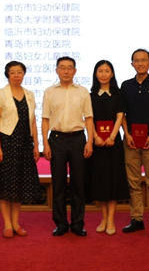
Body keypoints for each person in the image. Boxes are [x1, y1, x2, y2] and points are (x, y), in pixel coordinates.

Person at [0, 61, 43, 238]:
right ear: (7, 75)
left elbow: (32, 121)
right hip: (6, 143)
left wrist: (37, 145)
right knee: (5, 184)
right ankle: (7, 224)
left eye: (19, 72)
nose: (16, 75)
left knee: (19, 183)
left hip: (25, 144)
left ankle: (16, 223)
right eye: (12, 72)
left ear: (24, 74)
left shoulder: (29, 94)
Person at [42, 56, 94, 237]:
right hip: (56, 140)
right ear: (57, 70)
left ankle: (78, 223)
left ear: (75, 71)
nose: (66, 71)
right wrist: (45, 143)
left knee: (79, 183)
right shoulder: (50, 92)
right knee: (59, 183)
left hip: (78, 139)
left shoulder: (83, 92)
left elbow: (89, 118)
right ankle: (61, 223)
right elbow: (45, 119)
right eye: (62, 67)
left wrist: (89, 141)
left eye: (69, 67)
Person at [120, 49, 149, 236]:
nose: (140, 63)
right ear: (132, 63)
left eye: (143, 60)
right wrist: (127, 134)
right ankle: (137, 219)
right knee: (133, 182)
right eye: (136, 60)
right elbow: (122, 113)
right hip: (131, 139)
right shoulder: (125, 85)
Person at [86, 60, 129, 236]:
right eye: (100, 71)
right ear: (96, 74)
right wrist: (95, 137)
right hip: (96, 143)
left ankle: (111, 219)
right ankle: (103, 218)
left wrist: (112, 136)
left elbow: (120, 116)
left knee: (113, 181)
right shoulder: (90, 96)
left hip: (113, 143)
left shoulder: (119, 94)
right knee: (100, 181)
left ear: (112, 74)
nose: (103, 74)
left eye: (107, 71)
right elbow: (89, 118)